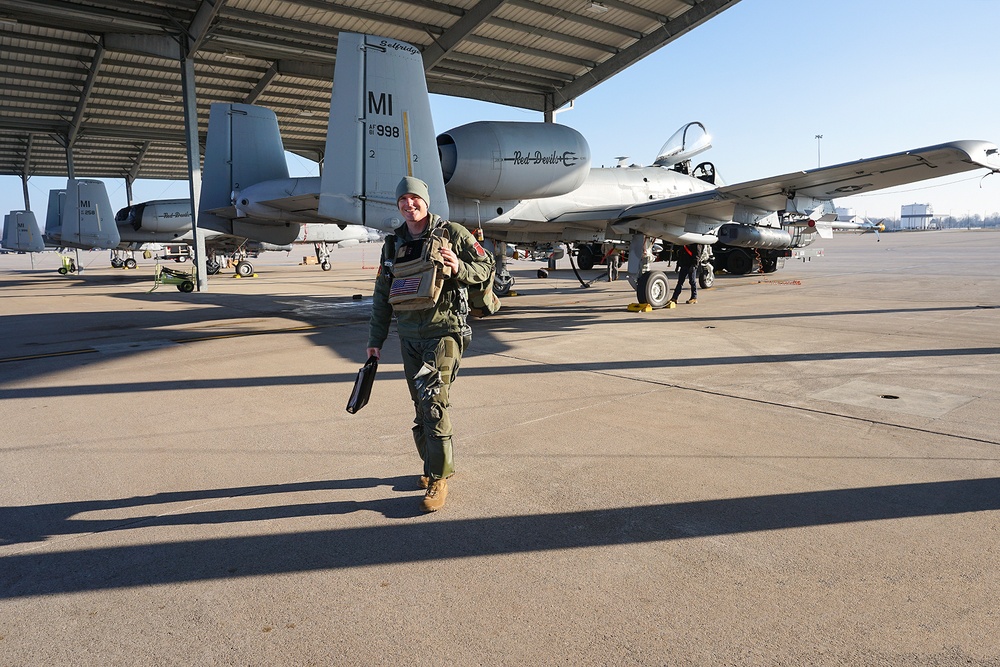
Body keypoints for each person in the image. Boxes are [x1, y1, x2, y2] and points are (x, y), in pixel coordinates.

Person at [366, 176, 496, 512]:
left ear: (426, 201)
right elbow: (382, 294)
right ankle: (433, 465)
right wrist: (374, 341)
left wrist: (459, 267)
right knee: (420, 406)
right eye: (403, 201)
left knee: (433, 402)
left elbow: (486, 266)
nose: (409, 206)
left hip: (443, 333)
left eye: (414, 199)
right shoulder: (393, 244)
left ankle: (439, 477)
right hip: (409, 335)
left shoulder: (452, 233)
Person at [666, 243, 703, 308]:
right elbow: (681, 254)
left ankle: (694, 297)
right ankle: (674, 298)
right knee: (680, 282)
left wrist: (694, 266)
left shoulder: (696, 244)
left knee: (692, 282)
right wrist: (678, 265)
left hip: (691, 265)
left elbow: (697, 255)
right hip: (684, 264)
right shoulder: (684, 243)